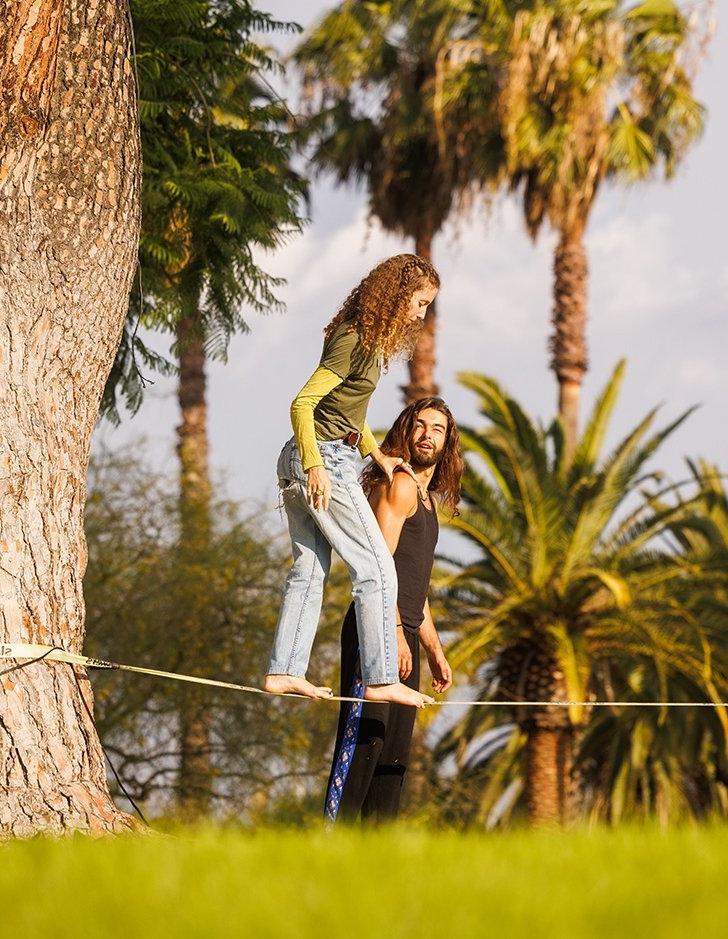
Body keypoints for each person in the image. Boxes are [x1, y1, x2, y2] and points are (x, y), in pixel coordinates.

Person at [265, 255, 440, 707]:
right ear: (399, 295)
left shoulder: (367, 340)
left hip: (311, 457)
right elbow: (303, 405)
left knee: (309, 570)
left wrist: (377, 454)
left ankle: (284, 670)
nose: (421, 314)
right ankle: (381, 676)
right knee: (378, 567)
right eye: (420, 303)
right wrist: (316, 464)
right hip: (318, 459)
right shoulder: (354, 339)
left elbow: (346, 413)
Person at [324, 397, 463, 824]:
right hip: (377, 628)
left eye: (437, 429)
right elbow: (380, 569)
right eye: (420, 426)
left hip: (403, 632)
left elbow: (414, 586)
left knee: (394, 755)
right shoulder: (399, 484)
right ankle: (330, 848)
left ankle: (374, 860)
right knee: (364, 744)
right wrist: (395, 633)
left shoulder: (428, 502)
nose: (427, 435)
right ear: (407, 430)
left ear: (447, 442)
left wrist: (434, 648)